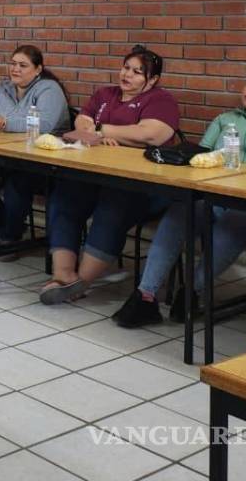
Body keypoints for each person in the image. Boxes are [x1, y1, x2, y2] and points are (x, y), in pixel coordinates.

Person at [113, 65, 246, 327]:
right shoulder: (226, 119)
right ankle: (145, 295)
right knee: (179, 213)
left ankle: (192, 290)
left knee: (233, 223)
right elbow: (201, 156)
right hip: (217, 197)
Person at [40, 45, 179, 304]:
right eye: (126, 68)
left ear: (153, 80)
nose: (127, 75)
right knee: (65, 195)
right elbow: (81, 122)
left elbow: (150, 134)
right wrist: (110, 134)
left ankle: (81, 282)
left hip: (146, 186)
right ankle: (63, 276)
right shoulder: (105, 94)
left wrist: (102, 131)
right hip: (98, 176)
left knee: (114, 205)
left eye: (138, 72)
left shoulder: (161, 100)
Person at [0, 45, 70, 257]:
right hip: (5, 155)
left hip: (44, 162)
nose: (15, 69)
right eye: (13, 64)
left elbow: (44, 125)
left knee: (15, 186)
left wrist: (2, 122)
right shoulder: (2, 87)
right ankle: (8, 223)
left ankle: (10, 236)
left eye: (23, 65)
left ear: (38, 69)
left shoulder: (49, 89)